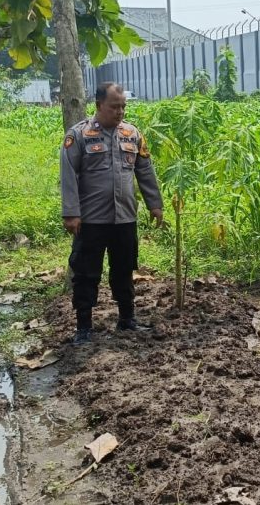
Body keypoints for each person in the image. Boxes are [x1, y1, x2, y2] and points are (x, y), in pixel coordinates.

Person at [60, 82, 164, 345]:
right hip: (91, 220)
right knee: (86, 273)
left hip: (124, 218)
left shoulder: (132, 133)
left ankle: (127, 319)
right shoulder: (79, 135)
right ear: (98, 105)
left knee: (124, 269)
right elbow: (68, 175)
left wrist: (155, 204)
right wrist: (71, 213)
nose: (119, 112)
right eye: (114, 107)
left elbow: (145, 171)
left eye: (123, 107)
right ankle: (84, 326)